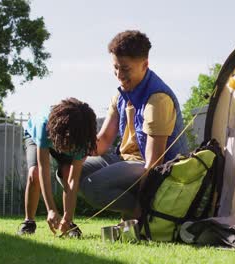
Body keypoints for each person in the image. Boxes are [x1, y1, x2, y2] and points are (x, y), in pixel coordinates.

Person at [79, 30, 188, 220]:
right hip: (125, 159)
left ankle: (148, 214)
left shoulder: (157, 99)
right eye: (115, 68)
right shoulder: (120, 95)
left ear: (145, 65)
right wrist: (74, 150)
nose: (119, 75)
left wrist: (139, 207)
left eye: (125, 69)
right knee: (66, 172)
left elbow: (154, 164)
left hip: (156, 169)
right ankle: (136, 212)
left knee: (93, 186)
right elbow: (103, 141)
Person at [17, 98, 97, 238]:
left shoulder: (81, 138)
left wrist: (67, 216)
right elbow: (43, 169)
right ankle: (29, 222)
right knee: (34, 174)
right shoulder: (44, 126)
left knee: (66, 173)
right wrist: (51, 210)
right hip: (37, 137)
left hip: (65, 137)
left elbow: (73, 180)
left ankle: (69, 223)